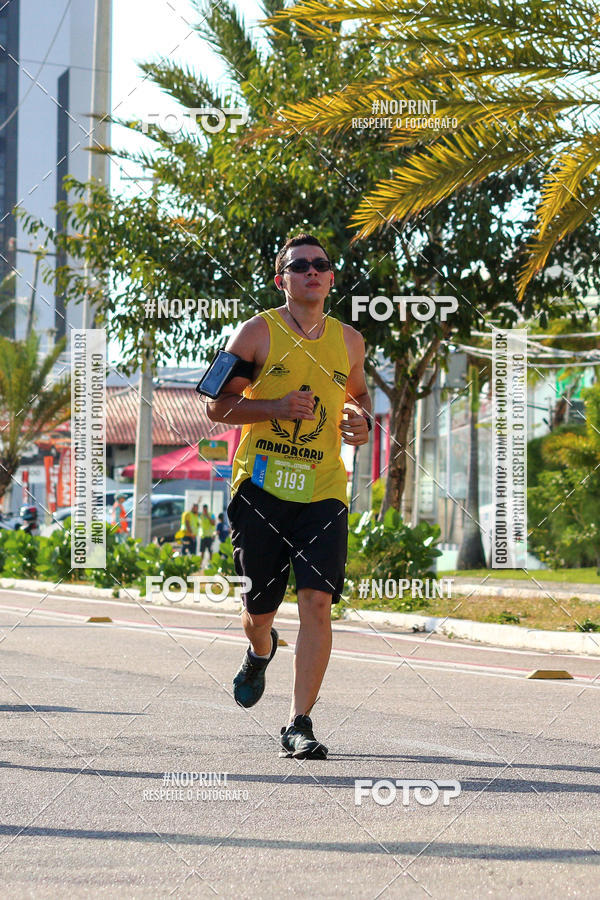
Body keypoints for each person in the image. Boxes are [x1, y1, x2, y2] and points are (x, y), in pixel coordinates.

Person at [206, 232, 371, 759]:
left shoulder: (349, 341)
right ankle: (259, 651)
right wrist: (276, 407)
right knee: (260, 610)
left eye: (321, 264)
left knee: (317, 603)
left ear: (330, 276)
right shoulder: (256, 333)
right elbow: (216, 406)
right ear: (283, 279)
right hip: (260, 488)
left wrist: (362, 421)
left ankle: (299, 722)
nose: (312, 272)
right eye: (300, 266)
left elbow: (360, 397)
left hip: (324, 489)